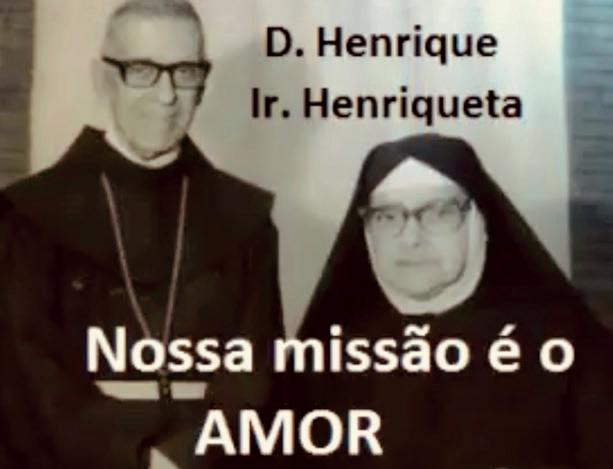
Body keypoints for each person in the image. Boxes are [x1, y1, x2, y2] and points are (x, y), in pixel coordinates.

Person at [0, 1, 283, 468]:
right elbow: (30, 380)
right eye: (143, 71)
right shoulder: (29, 218)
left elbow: (255, 375)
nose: (167, 96)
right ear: (102, 78)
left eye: (185, 72)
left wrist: (187, 456)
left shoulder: (246, 220)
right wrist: (140, 456)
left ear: (203, 81)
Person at [293, 134, 613, 468]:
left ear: (479, 221)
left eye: (439, 212)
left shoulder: (569, 345)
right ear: (367, 232)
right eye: (387, 216)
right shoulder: (325, 358)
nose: (411, 238)